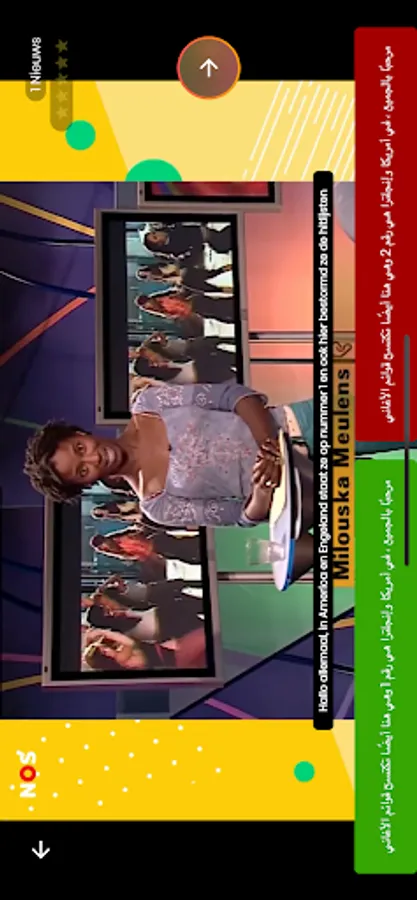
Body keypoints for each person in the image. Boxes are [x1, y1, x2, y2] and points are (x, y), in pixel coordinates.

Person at [85, 579, 204, 644]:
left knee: (181, 601)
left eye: (106, 608)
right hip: (167, 625)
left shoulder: (123, 612)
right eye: (106, 612)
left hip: (167, 612)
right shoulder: (121, 630)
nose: (110, 610)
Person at [130, 333, 236, 384]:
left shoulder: (163, 365)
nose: (154, 361)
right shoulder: (163, 376)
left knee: (221, 356)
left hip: (201, 365)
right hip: (203, 372)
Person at [90, 525, 201, 565]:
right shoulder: (118, 551)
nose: (104, 548)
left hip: (156, 542)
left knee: (184, 547)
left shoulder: (120, 538)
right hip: (156, 550)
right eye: (102, 548)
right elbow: (135, 556)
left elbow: (138, 532)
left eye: (103, 545)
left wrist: (138, 531)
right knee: (184, 555)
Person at [135, 290, 235, 324]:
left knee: (221, 308)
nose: (148, 307)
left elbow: (180, 300)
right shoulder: (161, 310)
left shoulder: (163, 300)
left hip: (195, 303)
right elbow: (177, 315)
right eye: (145, 307)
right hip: (194, 309)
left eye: (146, 304)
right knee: (221, 314)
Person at [136, 261, 234, 295]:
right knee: (211, 286)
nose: (147, 274)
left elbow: (173, 269)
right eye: (144, 276)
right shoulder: (156, 277)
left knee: (213, 275)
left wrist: (173, 279)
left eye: (144, 272)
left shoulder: (157, 268)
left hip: (185, 275)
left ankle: (230, 267)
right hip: (185, 279)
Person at [143, 223, 232, 260]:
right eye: (155, 237)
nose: (157, 234)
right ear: (159, 244)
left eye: (154, 233)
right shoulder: (175, 245)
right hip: (207, 236)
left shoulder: (169, 229)